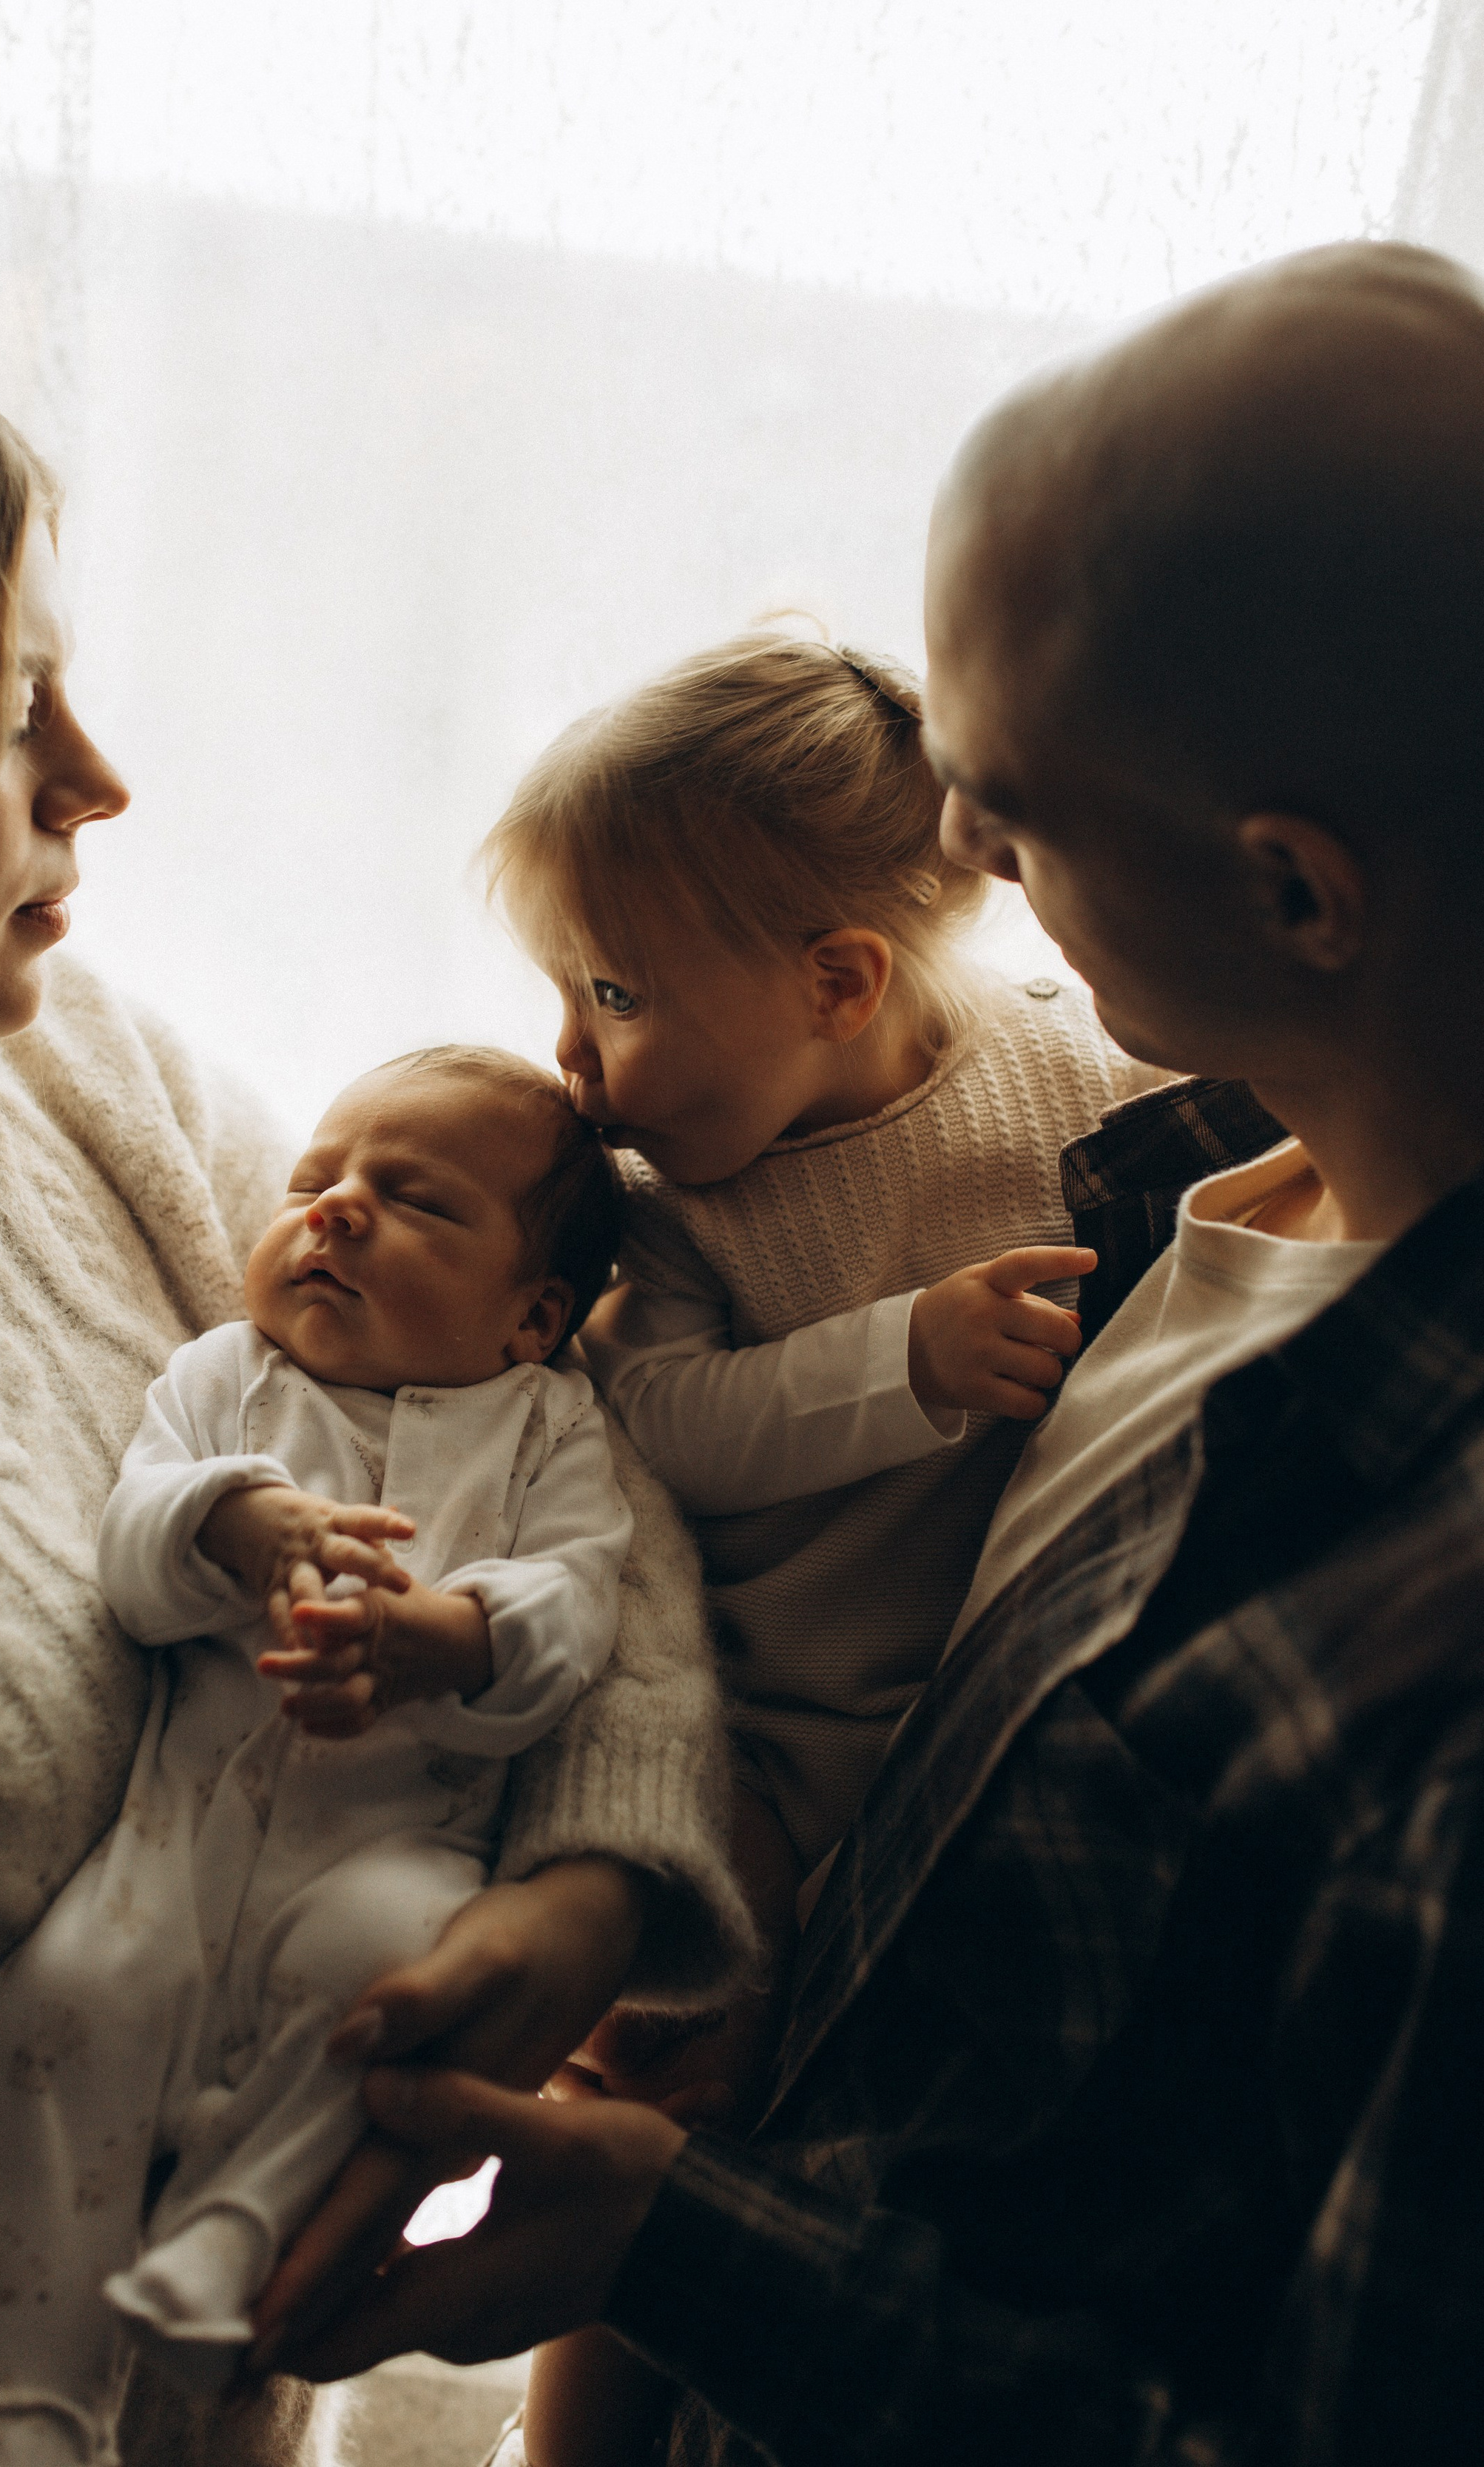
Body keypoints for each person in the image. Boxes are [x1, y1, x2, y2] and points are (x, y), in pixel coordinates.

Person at [255, 241, 1484, 2466]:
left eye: (1004, 796)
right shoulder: (1189, 1188)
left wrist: (680, 2237)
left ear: (1298, 894)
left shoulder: (1435, 1674)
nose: (951, 854)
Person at [0, 295, 752, 2467]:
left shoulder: (73, 1066)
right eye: (10, 698)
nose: (100, 776)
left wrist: (594, 1885)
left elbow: (544, 1438)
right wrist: (101, 2248)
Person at [482, 635, 1157, 2461]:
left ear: (838, 978)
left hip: (963, 1728)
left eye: (610, 991)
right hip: (761, 1733)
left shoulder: (1070, 1079)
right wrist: (903, 1361)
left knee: (830, 2158)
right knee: (670, 2099)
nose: (569, 1056)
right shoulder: (674, 1207)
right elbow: (658, 1424)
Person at [0, 1049, 633, 2465]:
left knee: (384, 1986)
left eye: (414, 1201)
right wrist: (228, 1523)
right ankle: (16, 2393)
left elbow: (581, 1602)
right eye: (314, 1181)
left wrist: (456, 1631)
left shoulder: (550, 1426)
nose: (335, 1211)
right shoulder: (228, 1378)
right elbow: (132, 1550)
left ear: (532, 1315)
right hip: (173, 1838)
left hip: (396, 1847)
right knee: (62, 2005)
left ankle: (232, 2231)